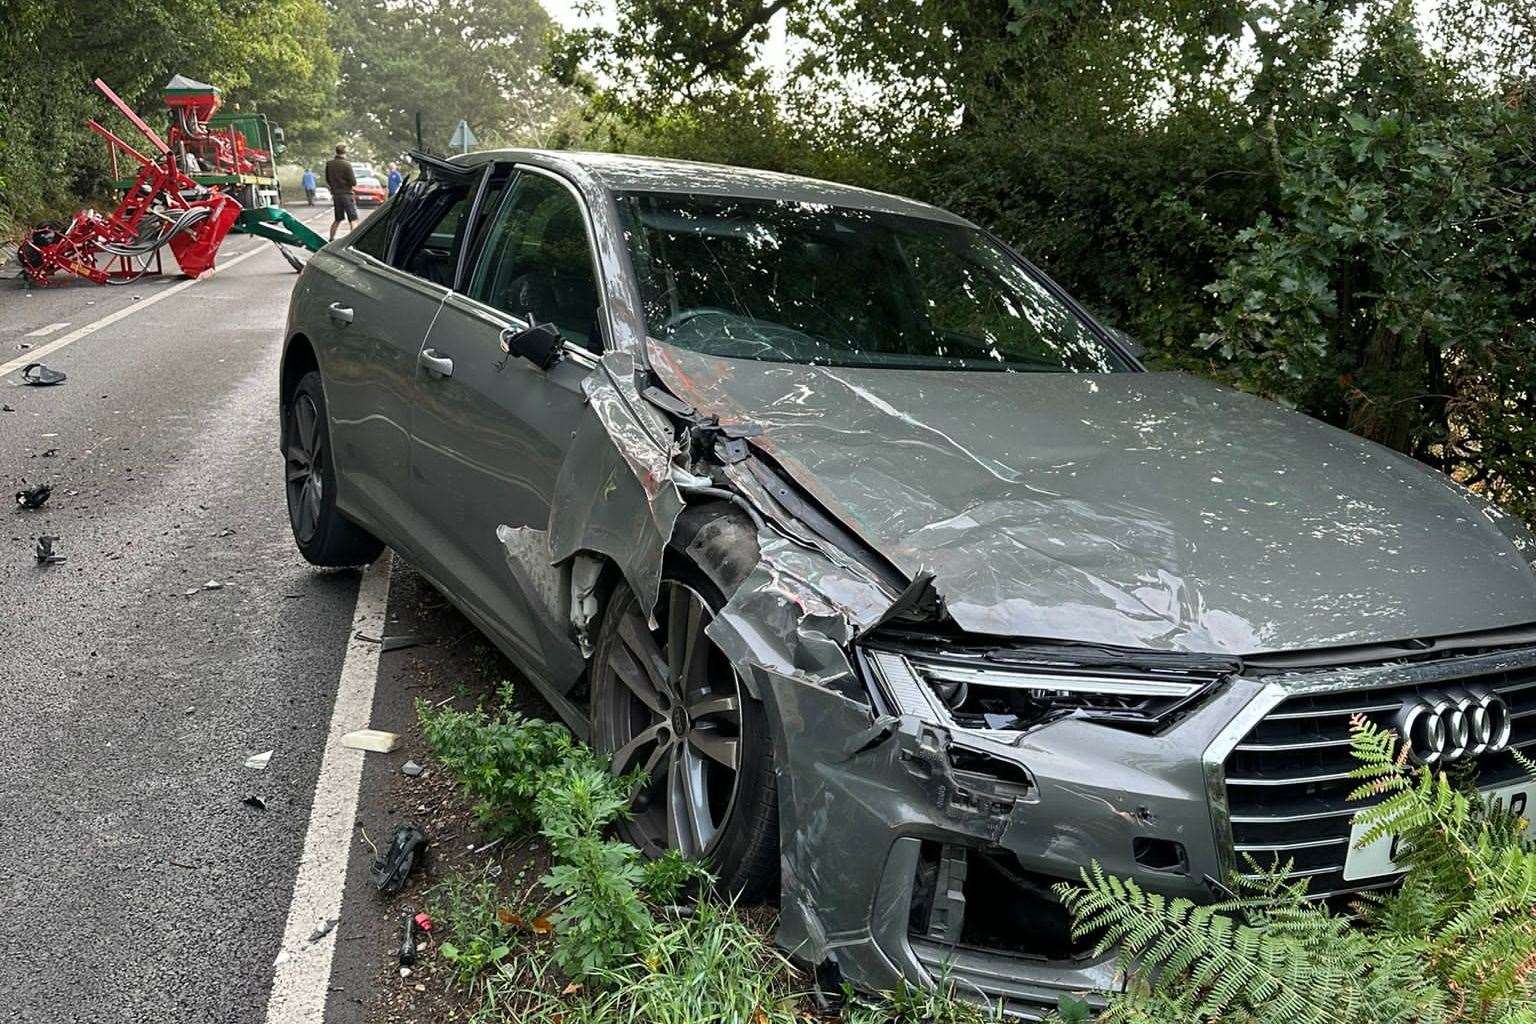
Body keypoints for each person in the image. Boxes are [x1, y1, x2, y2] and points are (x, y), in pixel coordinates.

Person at [325, 144, 359, 241]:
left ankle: (331, 239)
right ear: (345, 152)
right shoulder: (347, 164)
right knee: (353, 219)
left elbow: (328, 179)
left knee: (338, 219)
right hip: (346, 195)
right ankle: (353, 240)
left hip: (336, 195)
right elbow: (353, 182)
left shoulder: (329, 164)